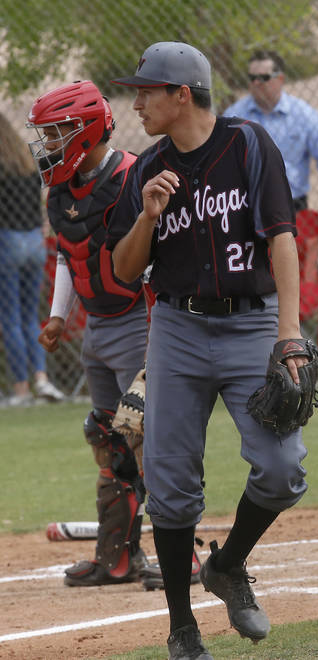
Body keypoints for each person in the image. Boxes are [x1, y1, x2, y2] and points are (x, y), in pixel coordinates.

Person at [107, 42, 309, 659]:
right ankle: (182, 628)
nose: (136, 101)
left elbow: (282, 237)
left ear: (182, 95)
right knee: (170, 484)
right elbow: (122, 270)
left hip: (252, 326)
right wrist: (147, 217)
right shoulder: (146, 169)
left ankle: (228, 566)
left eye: (147, 90)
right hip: (178, 330)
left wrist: (290, 335)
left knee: (282, 470)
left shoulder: (248, 146)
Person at [29, 79, 172, 588]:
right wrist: (58, 316)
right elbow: (71, 257)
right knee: (108, 437)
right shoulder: (61, 192)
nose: (46, 146)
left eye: (54, 135)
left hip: (140, 322)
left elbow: (159, 262)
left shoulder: (135, 177)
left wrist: (162, 345)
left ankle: (185, 554)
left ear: (82, 132)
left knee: (146, 436)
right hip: (98, 328)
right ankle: (117, 557)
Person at [222, 50, 318, 216]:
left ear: (280, 79)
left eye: (263, 78)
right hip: (246, 206)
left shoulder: (303, 114)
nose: (256, 83)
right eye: (252, 78)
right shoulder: (233, 116)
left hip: (293, 206)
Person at [0, 112, 64, 406]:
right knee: (31, 316)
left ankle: (22, 389)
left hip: (8, 240)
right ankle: (42, 379)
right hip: (34, 240)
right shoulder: (26, 160)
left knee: (10, 317)